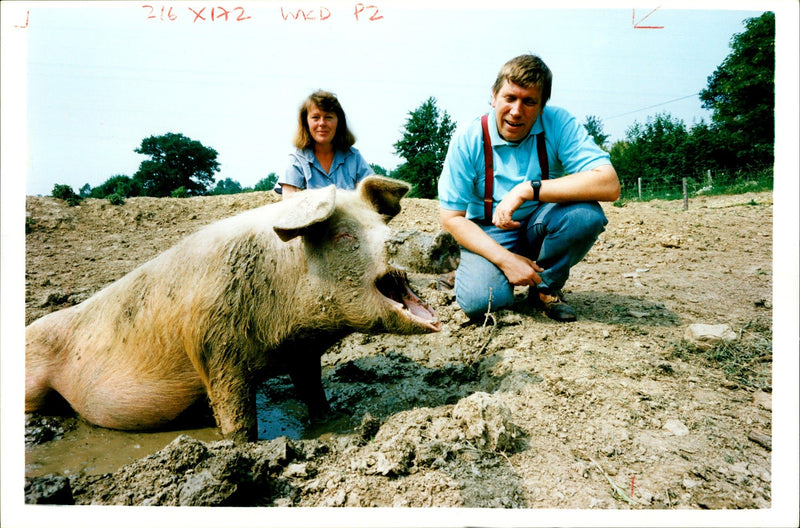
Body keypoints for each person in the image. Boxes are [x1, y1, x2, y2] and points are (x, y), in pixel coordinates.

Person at [438, 54, 620, 322]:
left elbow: (609, 183)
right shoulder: (468, 137)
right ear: (493, 97)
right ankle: (469, 269)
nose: (516, 111)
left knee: (585, 215)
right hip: (489, 232)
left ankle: (546, 287)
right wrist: (505, 260)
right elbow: (451, 219)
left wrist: (528, 189)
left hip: (538, 224)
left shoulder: (559, 123)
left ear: (542, 106)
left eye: (529, 102)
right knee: (483, 304)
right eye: (510, 98)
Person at [277, 90, 373, 198]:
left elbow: (369, 198)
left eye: (328, 117)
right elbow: (290, 205)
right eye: (315, 117)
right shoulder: (297, 161)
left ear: (339, 122)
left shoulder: (354, 158)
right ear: (306, 122)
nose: (322, 123)